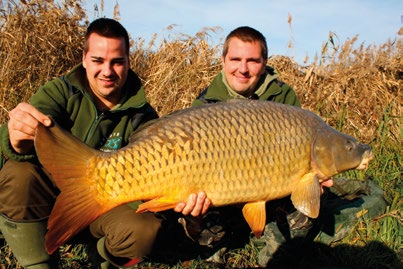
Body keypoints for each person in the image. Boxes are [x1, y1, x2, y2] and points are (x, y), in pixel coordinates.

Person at [0, 18, 210, 269]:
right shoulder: (61, 92)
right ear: (84, 58)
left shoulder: (144, 117)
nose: (107, 71)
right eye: (98, 61)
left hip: (108, 204)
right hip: (50, 195)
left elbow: (147, 195)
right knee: (18, 173)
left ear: (129, 62)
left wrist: (180, 199)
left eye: (117, 62)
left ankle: (99, 256)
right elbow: (23, 141)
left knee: (143, 231)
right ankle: (38, 263)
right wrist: (17, 139)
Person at [189, 26, 387, 267]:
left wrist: (314, 180)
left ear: (264, 63)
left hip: (272, 195)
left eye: (252, 60)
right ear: (223, 60)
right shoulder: (204, 104)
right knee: (195, 214)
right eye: (235, 59)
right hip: (221, 192)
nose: (243, 68)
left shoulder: (283, 98)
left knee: (307, 204)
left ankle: (270, 242)